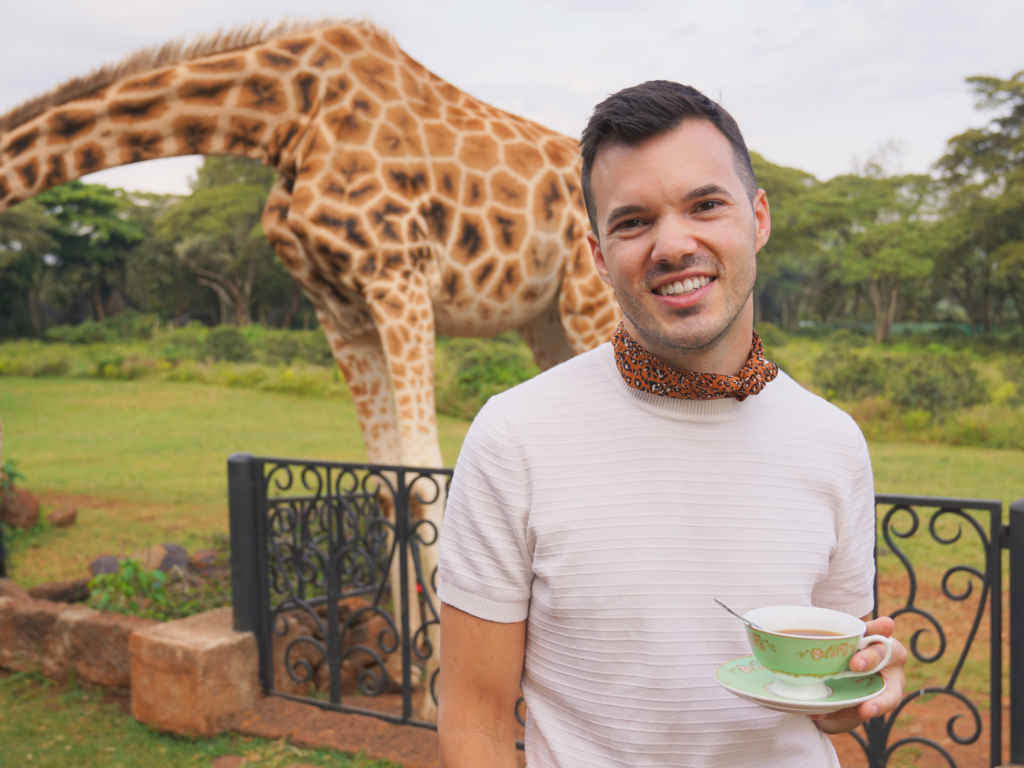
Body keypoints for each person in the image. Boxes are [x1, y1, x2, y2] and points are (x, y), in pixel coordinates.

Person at [435, 80, 907, 768]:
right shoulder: (515, 436)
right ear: (599, 256)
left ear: (759, 219)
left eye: (705, 205)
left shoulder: (834, 440)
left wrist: (866, 678)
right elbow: (474, 721)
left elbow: (825, 705)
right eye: (633, 222)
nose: (672, 244)